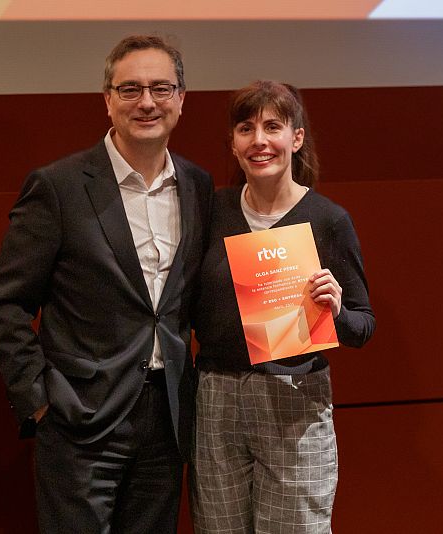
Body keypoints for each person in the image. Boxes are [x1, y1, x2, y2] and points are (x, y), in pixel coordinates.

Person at [0, 35, 212, 534]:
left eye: (160, 88)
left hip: (168, 420)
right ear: (107, 100)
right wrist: (40, 401)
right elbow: (7, 305)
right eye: (130, 89)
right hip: (79, 422)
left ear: (181, 99)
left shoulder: (198, 186)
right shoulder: (58, 187)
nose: (147, 102)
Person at [189, 80, 376, 533]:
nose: (259, 140)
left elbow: (363, 325)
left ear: (296, 138)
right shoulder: (211, 210)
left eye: (272, 126)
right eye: (245, 128)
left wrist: (336, 311)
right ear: (233, 144)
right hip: (217, 397)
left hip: (294, 400)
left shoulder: (328, 220)